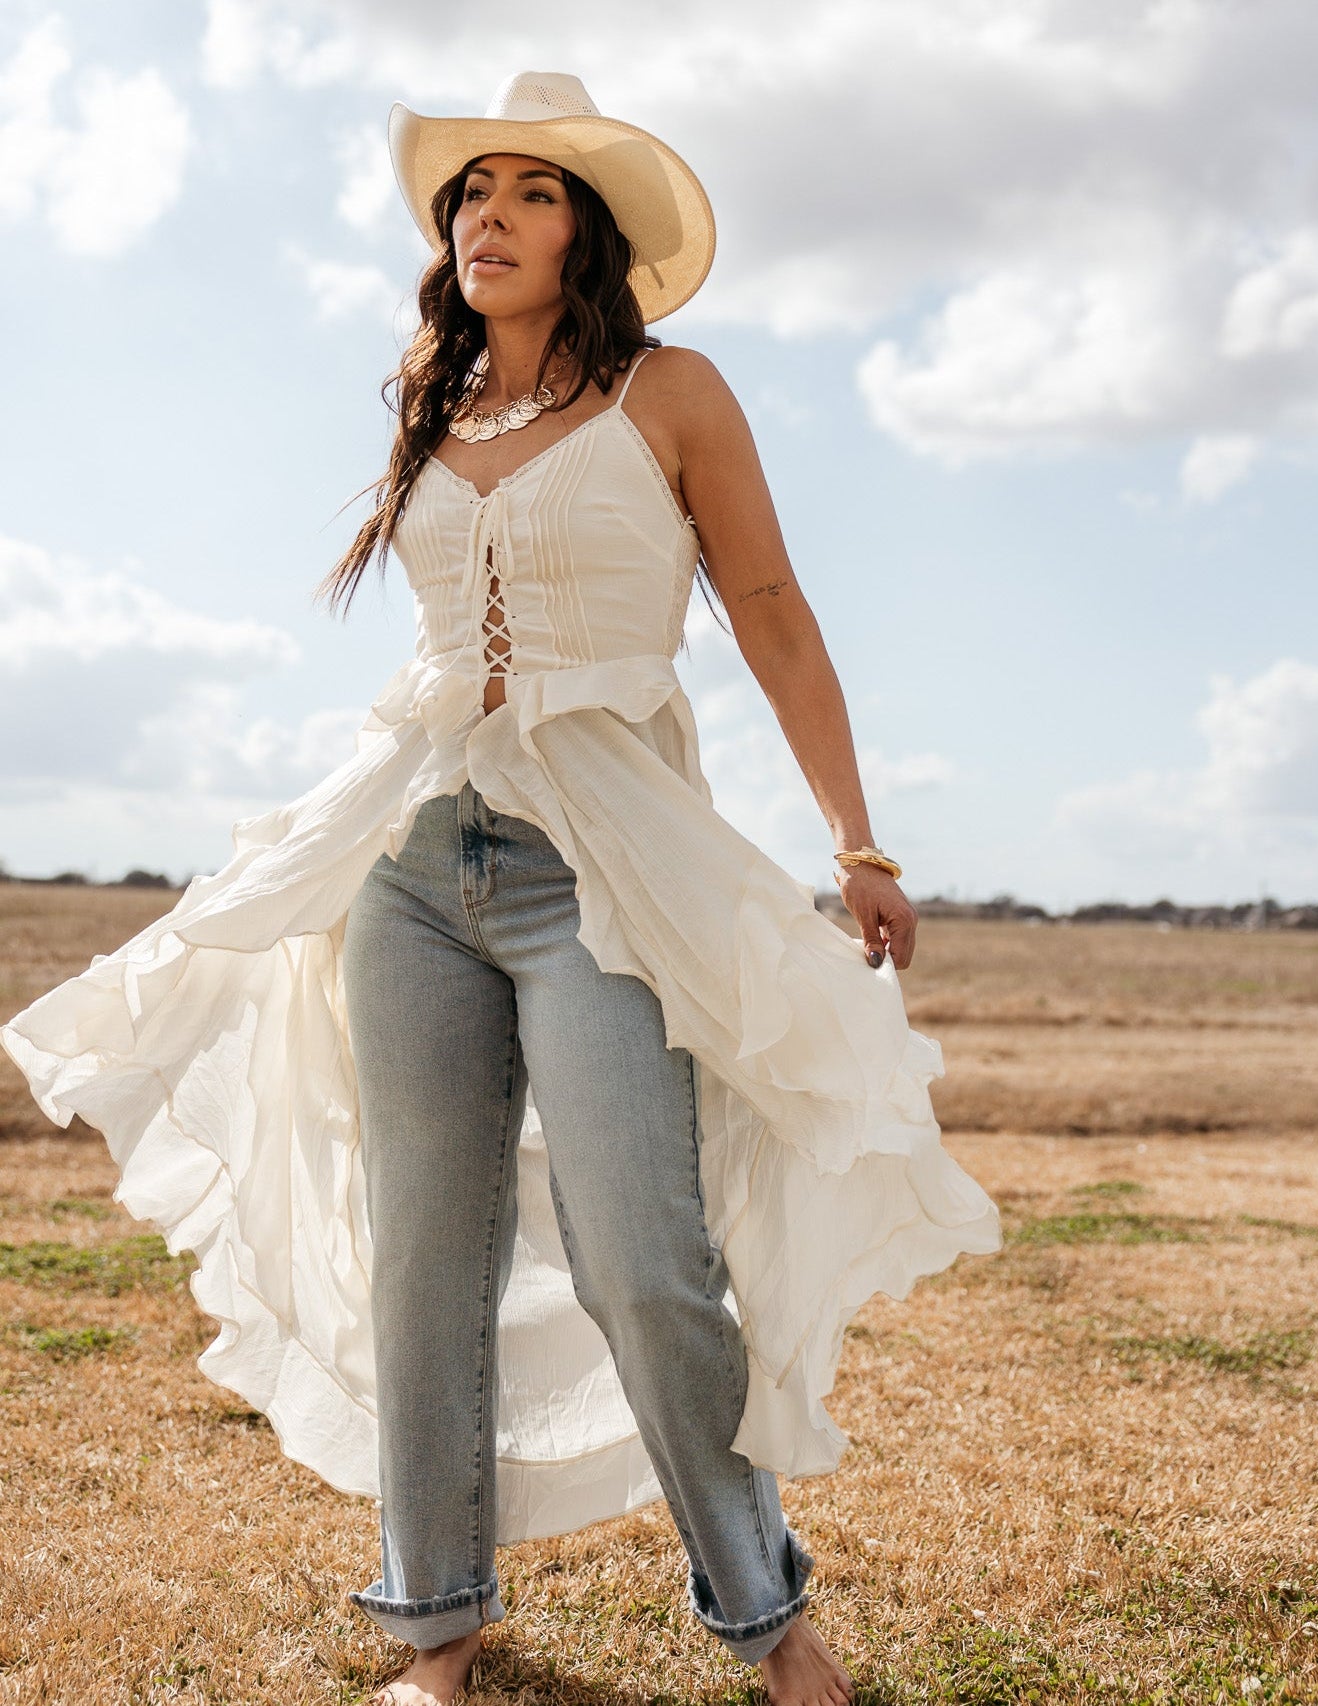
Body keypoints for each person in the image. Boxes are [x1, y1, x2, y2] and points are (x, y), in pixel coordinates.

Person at [1, 71, 1001, 1706]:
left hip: (600, 865)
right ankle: (434, 1630)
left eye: (532, 193)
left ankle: (768, 1619)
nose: (489, 214)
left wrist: (859, 840)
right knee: (425, 1253)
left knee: (640, 1257)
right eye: (473, 191)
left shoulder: (670, 392)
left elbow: (767, 606)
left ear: (587, 233)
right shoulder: (429, 393)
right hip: (414, 858)